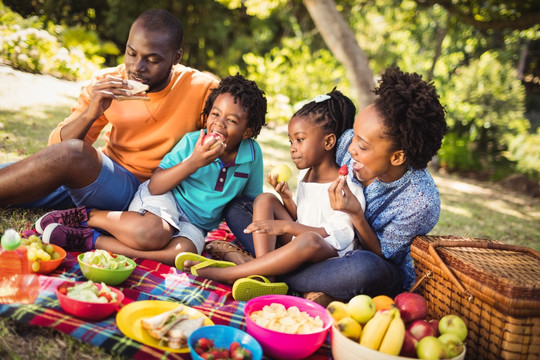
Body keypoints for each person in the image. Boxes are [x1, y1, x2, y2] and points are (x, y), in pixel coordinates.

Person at [215, 66, 448, 303]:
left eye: (363, 145)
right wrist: (287, 193)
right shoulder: (347, 142)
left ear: (397, 157)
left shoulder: (420, 202)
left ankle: (258, 268)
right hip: (311, 244)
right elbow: (316, 177)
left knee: (367, 269)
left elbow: (381, 255)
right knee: (240, 207)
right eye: (354, 135)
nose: (349, 147)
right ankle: (279, 274)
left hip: (352, 262)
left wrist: (356, 214)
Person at [35, 74, 267, 266]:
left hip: (196, 224)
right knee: (155, 234)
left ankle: (89, 240)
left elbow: (250, 202)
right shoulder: (192, 143)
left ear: (247, 132)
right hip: (164, 199)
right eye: (215, 114)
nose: (219, 124)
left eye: (232, 121)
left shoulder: (252, 156)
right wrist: (195, 162)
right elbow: (156, 185)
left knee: (182, 257)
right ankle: (89, 216)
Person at [0, 9, 218, 211]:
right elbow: (54, 151)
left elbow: (225, 146)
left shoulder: (202, 89)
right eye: (131, 53)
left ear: (176, 58)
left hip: (149, 194)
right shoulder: (106, 82)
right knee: (22, 174)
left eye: (152, 60)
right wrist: (90, 113)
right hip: (103, 178)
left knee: (71, 156)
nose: (136, 67)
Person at [177, 89, 365, 287]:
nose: (292, 148)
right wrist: (287, 200)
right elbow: (302, 217)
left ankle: (233, 272)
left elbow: (340, 234)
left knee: (309, 239)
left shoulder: (344, 185)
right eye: (291, 141)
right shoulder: (306, 175)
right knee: (265, 199)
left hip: (328, 253)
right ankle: (265, 271)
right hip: (297, 243)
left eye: (300, 140)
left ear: (328, 141)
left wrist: (285, 227)